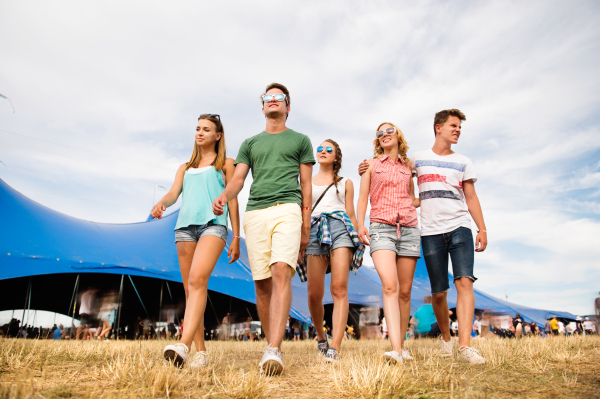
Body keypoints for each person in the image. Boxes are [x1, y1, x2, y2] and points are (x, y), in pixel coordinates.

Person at [362, 109, 487, 364]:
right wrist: (366, 167)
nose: (458, 130)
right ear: (438, 127)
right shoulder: (414, 160)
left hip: (458, 226)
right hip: (428, 230)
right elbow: (391, 175)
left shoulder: (464, 161)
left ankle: (465, 347)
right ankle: (445, 339)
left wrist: (481, 228)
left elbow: (471, 197)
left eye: (459, 127)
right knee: (438, 292)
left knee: (464, 282)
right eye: (453, 125)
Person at [212, 83, 314, 376]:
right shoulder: (250, 143)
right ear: (262, 107)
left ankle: (274, 348)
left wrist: (306, 224)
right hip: (255, 212)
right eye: (267, 97)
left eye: (278, 97)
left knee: (282, 268)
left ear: (287, 107)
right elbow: (239, 178)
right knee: (262, 282)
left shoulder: (301, 140)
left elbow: (306, 185)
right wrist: (225, 196)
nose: (272, 100)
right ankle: (271, 344)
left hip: (288, 208)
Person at [157, 113, 241, 368]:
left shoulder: (226, 163)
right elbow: (173, 194)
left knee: (197, 281)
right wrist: (162, 203)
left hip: (213, 227)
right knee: (191, 290)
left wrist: (236, 236)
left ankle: (183, 345)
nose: (200, 132)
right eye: (197, 128)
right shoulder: (185, 167)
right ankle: (201, 353)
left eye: (206, 129)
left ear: (218, 135)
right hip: (184, 229)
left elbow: (233, 199)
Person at [356, 122, 420, 364]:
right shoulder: (370, 165)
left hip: (409, 229)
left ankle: (401, 347)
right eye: (379, 133)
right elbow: (363, 198)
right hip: (381, 227)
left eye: (388, 131)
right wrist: (360, 224)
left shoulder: (408, 168)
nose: (384, 135)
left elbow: (411, 198)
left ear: (398, 136)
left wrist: (430, 196)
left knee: (404, 292)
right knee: (390, 285)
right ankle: (395, 349)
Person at [298, 138, 363, 362]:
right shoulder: (305, 181)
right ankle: (320, 335)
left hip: (340, 228)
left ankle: (335, 346)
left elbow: (351, 214)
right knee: (314, 294)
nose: (323, 152)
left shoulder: (345, 182)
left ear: (336, 157)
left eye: (329, 150)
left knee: (339, 288)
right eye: (320, 149)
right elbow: (302, 212)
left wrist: (358, 241)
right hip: (314, 228)